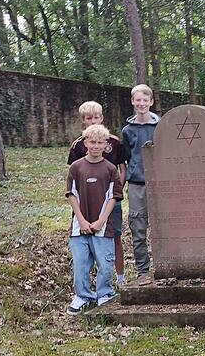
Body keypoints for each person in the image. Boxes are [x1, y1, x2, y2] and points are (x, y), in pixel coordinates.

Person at [67, 101, 129, 287]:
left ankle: (119, 277)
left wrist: (115, 192)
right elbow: (74, 176)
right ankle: (88, 281)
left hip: (111, 200)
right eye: (88, 118)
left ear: (102, 118)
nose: (93, 120)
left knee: (114, 235)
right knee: (86, 237)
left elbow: (122, 169)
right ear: (83, 121)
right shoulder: (78, 146)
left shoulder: (114, 142)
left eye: (96, 117)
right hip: (86, 201)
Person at [65, 124, 123, 315]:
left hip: (103, 227)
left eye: (100, 143)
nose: (96, 146)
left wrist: (100, 222)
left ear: (106, 144)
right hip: (79, 226)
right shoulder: (76, 167)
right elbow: (71, 195)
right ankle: (82, 296)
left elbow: (113, 198)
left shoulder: (110, 169)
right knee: (81, 263)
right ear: (85, 143)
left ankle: (104, 294)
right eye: (92, 142)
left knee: (105, 263)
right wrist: (81, 221)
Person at [121, 84, 159, 286]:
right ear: (133, 102)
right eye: (138, 100)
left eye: (146, 100)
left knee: (163, 226)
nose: (142, 104)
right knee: (138, 227)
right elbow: (127, 157)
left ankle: (163, 266)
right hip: (137, 184)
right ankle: (143, 271)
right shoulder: (127, 130)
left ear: (151, 102)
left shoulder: (161, 126)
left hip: (160, 183)